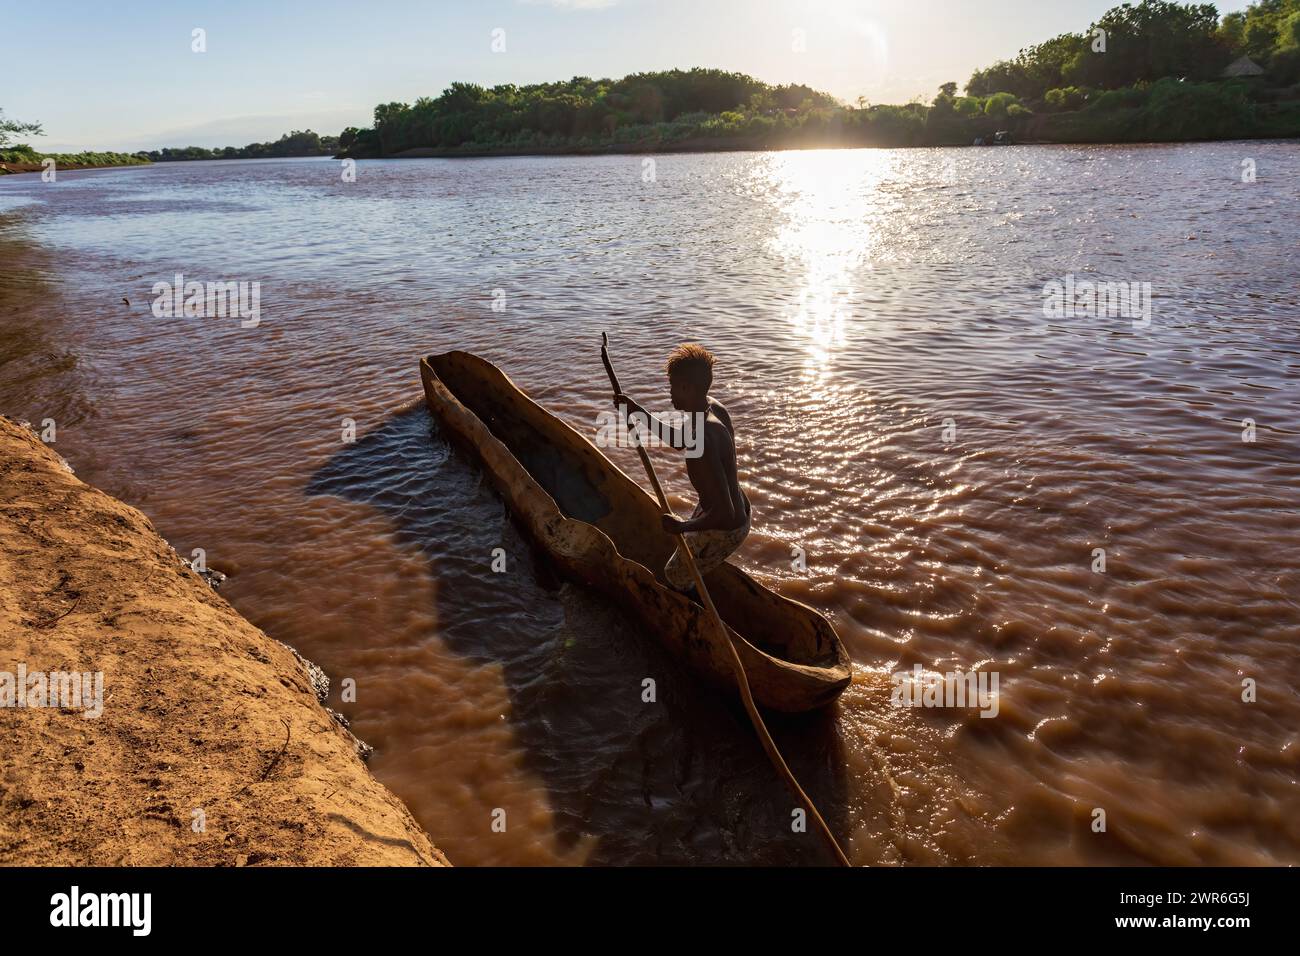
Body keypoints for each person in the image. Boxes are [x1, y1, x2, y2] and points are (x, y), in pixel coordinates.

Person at [615, 343, 750, 597]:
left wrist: (682, 526)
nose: (670, 393)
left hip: (727, 524)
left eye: (673, 386)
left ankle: (694, 614)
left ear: (687, 388)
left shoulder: (705, 440)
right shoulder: (710, 408)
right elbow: (680, 441)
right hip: (733, 504)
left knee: (675, 573)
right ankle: (701, 567)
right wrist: (638, 412)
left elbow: (723, 513)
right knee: (691, 554)